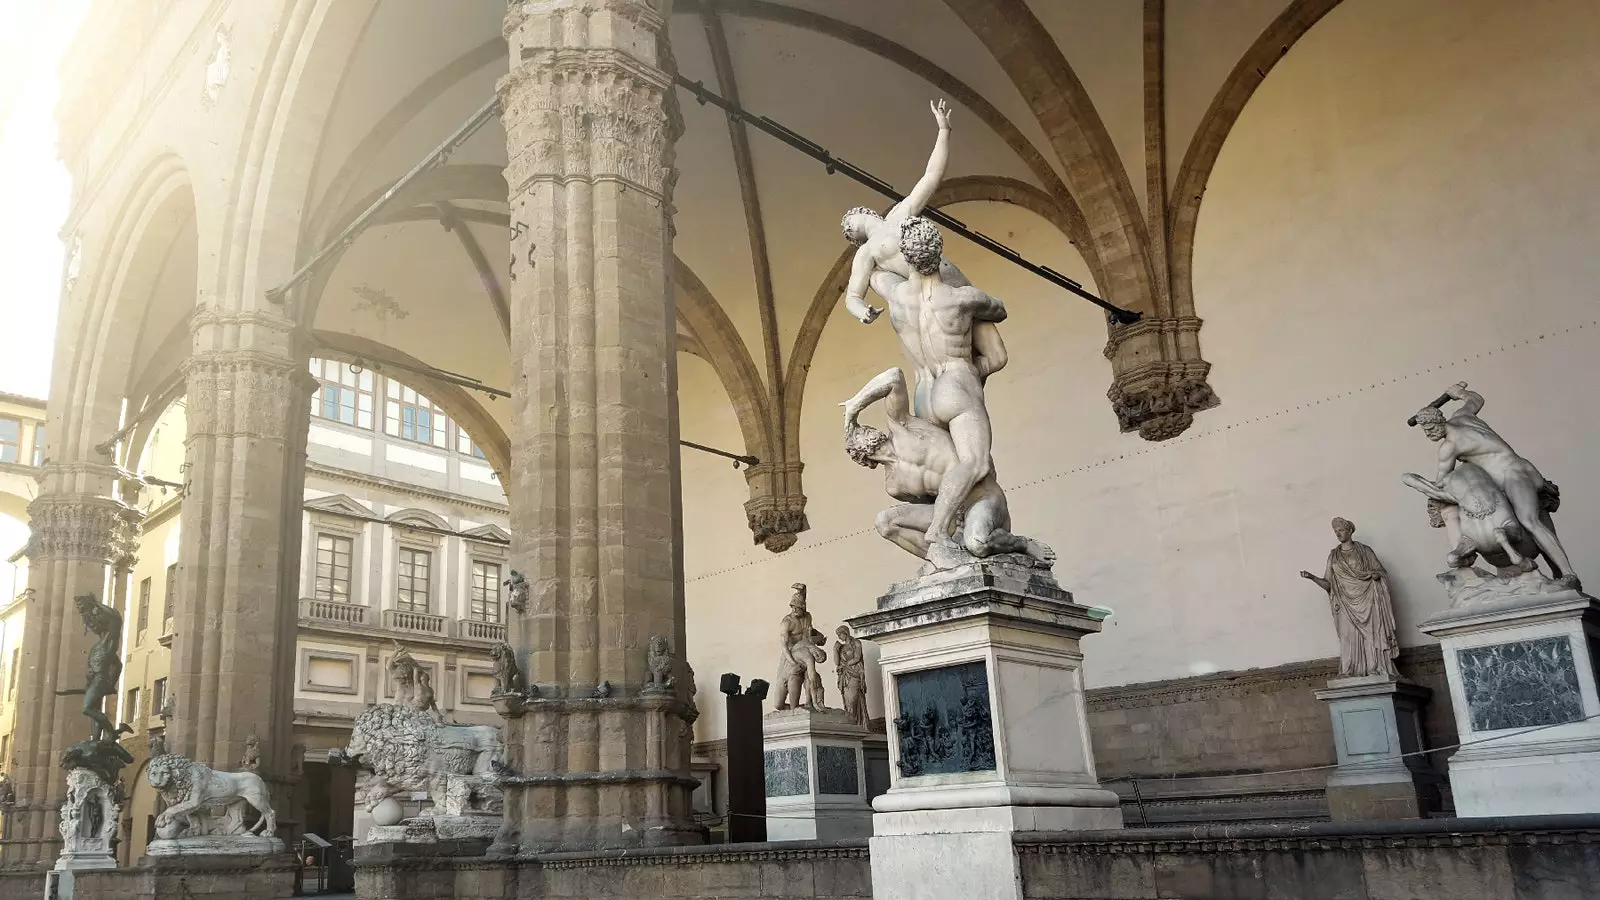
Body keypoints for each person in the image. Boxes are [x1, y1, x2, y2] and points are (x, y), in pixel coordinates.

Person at [840, 100, 1007, 388]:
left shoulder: (899, 214)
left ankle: (964, 383)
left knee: (998, 357)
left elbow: (931, 178)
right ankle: (956, 385)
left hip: (957, 283)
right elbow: (852, 295)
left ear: (867, 212)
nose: (848, 224)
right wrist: (862, 311)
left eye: (850, 219)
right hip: (936, 298)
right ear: (855, 239)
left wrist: (944, 131)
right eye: (847, 229)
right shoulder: (867, 253)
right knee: (964, 362)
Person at [843, 366, 1053, 566]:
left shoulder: (901, 425)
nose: (860, 431)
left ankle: (1022, 544)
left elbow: (893, 377)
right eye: (855, 435)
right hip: (952, 517)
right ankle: (944, 560)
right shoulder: (894, 485)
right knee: (885, 522)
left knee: (977, 544)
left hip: (982, 497)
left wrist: (855, 405)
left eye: (860, 428)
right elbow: (931, 502)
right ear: (861, 457)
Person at [1413, 382, 1578, 588]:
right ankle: (1556, 572)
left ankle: (1569, 573)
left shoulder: (1449, 447)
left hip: (1511, 475)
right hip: (1519, 470)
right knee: (1531, 519)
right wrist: (1459, 393)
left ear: (1440, 421)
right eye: (1425, 432)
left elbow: (1442, 483)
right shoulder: (1462, 416)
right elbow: (1476, 399)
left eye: (1429, 429)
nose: (1429, 435)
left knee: (1529, 521)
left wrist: (1414, 482)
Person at [1299, 518, 1399, 678]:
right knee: (1347, 637)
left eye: (1341, 530)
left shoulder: (1365, 551)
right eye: (1335, 531)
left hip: (1368, 600)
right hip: (1344, 603)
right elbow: (1329, 585)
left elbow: (1381, 573)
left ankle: (1376, 667)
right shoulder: (1334, 555)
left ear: (1350, 531)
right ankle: (1350, 670)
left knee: (1372, 634)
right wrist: (1312, 578)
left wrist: (1375, 575)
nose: (1338, 533)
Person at [775, 585, 826, 710]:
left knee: (797, 687)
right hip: (790, 656)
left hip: (802, 655)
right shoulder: (787, 622)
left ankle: (801, 708)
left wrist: (819, 638)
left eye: (798, 608)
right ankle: (795, 709)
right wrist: (793, 662)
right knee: (778, 704)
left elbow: (811, 630)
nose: (795, 610)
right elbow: (784, 647)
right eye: (793, 607)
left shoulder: (807, 617)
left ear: (803, 608)